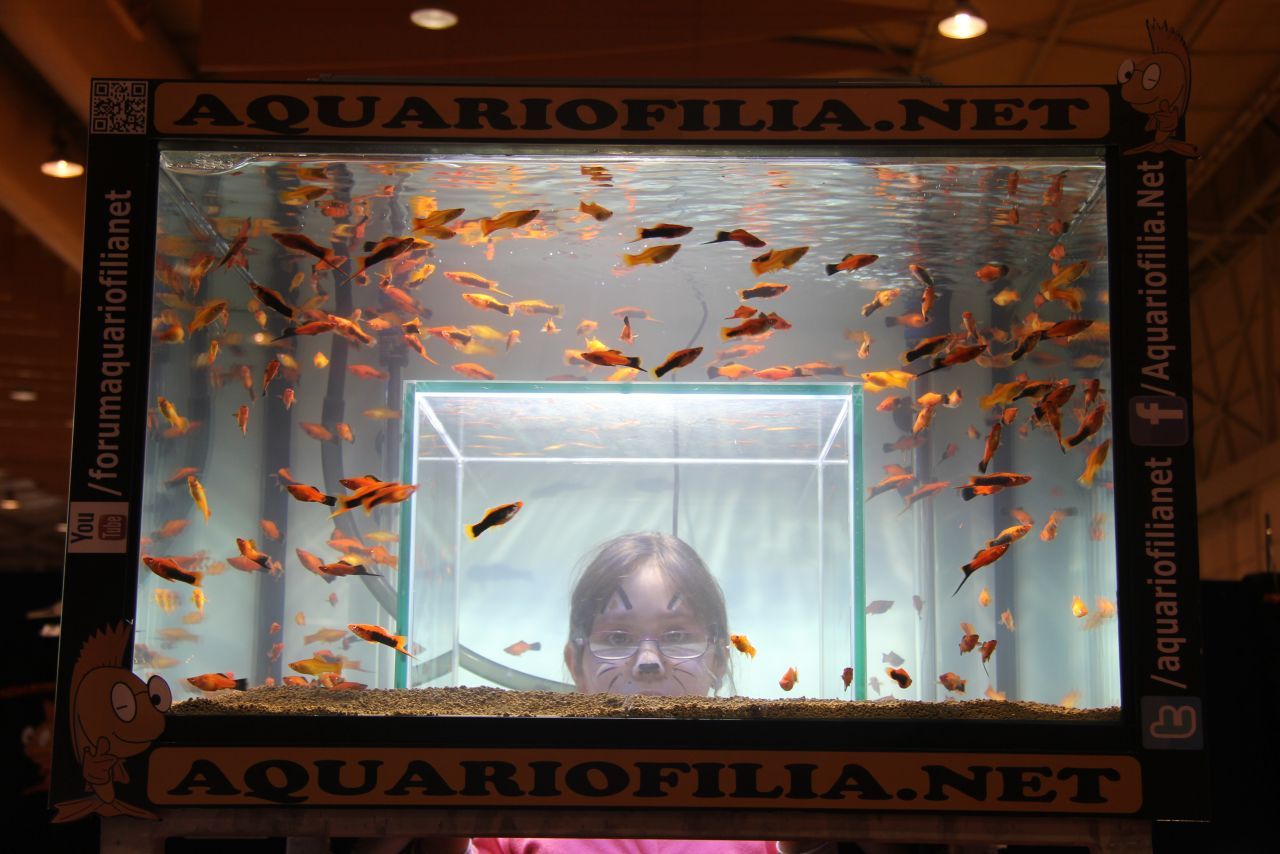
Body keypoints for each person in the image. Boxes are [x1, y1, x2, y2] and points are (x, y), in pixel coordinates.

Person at [357, 534, 835, 854]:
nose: (648, 662)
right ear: (575, 664)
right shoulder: (510, 801)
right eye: (619, 638)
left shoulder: (773, 802)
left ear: (720, 660)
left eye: (675, 636)